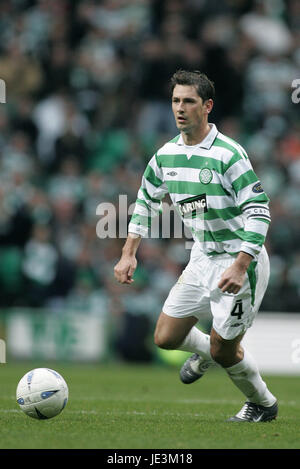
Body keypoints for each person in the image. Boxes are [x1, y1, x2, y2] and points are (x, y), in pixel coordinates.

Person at [114, 70, 277, 422]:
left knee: (224, 350)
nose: (180, 108)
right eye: (176, 101)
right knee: (165, 336)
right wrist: (129, 252)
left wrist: (239, 264)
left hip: (240, 262)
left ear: (207, 107)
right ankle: (204, 353)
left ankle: (263, 403)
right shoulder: (165, 156)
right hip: (202, 257)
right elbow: (145, 203)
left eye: (189, 101)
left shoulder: (229, 154)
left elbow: (260, 212)